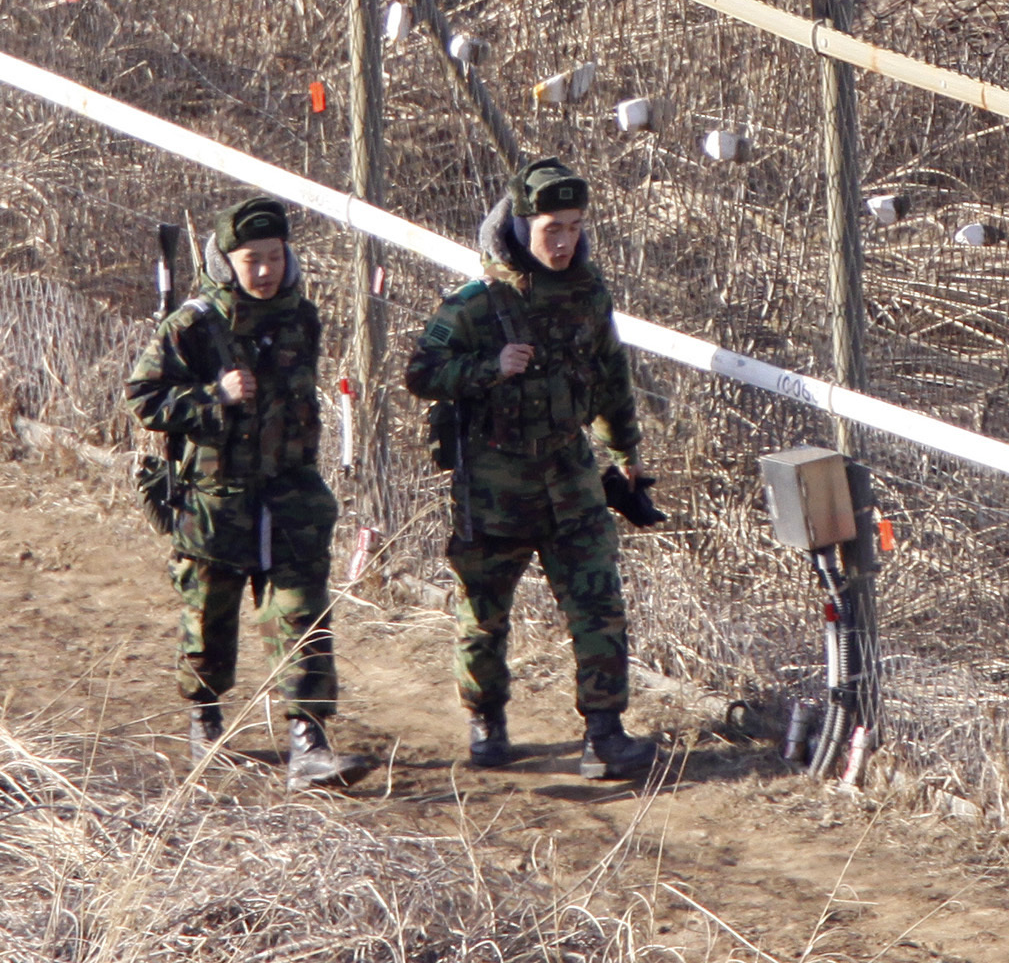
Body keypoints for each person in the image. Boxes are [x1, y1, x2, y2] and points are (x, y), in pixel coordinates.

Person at [405, 156, 660, 781]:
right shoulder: (476, 305)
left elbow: (609, 378)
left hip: (570, 481)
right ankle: (486, 720)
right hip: (495, 487)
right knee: (483, 613)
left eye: (574, 226)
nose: (565, 240)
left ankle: (604, 734)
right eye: (553, 227)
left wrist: (624, 455)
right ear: (521, 226)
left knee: (598, 605)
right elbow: (421, 374)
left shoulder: (587, 292)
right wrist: (490, 366)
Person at [127, 195, 351, 786]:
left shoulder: (301, 317)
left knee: (302, 612)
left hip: (290, 493)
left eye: (274, 257)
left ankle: (310, 739)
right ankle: (205, 719)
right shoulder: (195, 326)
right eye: (251, 259)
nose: (264, 271)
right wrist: (212, 397)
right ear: (227, 261)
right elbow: (143, 399)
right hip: (215, 497)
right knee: (210, 617)